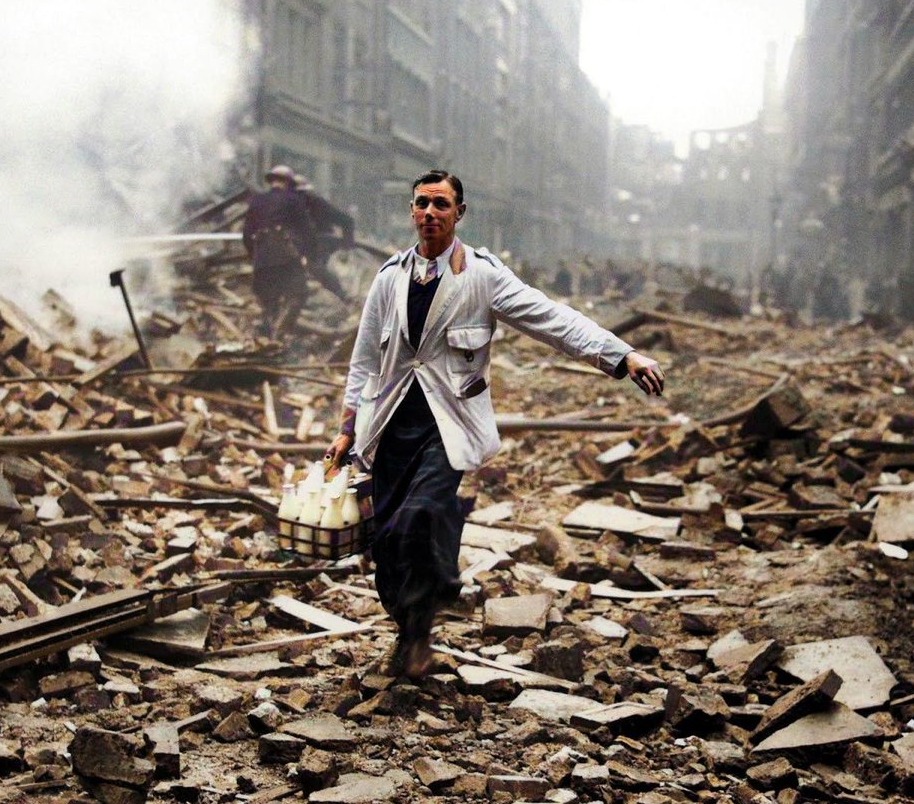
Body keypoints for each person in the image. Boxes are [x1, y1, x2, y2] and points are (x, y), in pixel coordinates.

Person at [325, 169, 665, 677]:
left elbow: (551, 318)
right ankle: (410, 629)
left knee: (422, 515)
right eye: (422, 203)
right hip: (389, 424)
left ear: (459, 214)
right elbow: (363, 361)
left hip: (449, 424)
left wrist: (621, 355)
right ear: (411, 211)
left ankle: (420, 629)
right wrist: (348, 426)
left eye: (442, 205)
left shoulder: (482, 276)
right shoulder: (389, 278)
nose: (430, 213)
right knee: (390, 540)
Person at [242, 165, 315, 339]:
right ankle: (279, 333)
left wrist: (256, 256)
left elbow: (246, 235)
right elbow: (307, 231)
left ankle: (268, 339)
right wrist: (306, 254)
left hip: (262, 261)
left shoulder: (257, 200)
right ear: (289, 182)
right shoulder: (293, 200)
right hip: (286, 259)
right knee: (299, 293)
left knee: (269, 302)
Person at [293, 174, 356, 302]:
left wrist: (346, 248)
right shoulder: (312, 203)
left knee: (316, 267)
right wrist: (346, 245)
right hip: (307, 245)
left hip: (318, 244)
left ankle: (341, 295)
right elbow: (347, 221)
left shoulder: (315, 204)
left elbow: (347, 221)